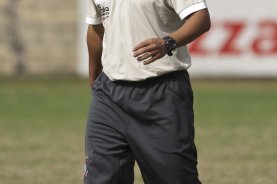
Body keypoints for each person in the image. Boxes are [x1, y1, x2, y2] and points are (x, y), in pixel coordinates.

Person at [84, 0, 211, 183]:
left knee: (174, 178)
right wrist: (94, 81)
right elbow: (95, 29)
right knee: (100, 178)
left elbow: (201, 18)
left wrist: (168, 42)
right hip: (108, 95)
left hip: (162, 93)